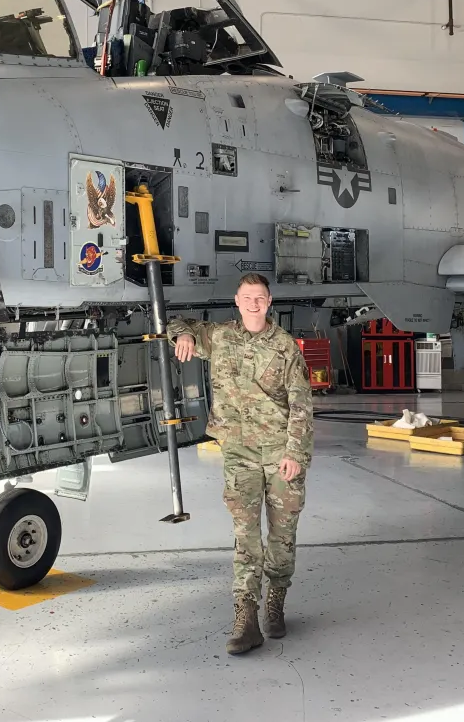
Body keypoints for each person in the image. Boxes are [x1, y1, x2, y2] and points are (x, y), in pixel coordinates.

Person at [167, 273, 314, 656]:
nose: (253, 303)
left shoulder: (285, 348)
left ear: (269, 302)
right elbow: (177, 323)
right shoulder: (219, 336)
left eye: (260, 298)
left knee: (282, 536)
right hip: (239, 454)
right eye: (247, 297)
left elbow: (301, 403)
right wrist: (182, 336)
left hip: (280, 451)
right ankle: (246, 619)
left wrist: (295, 454)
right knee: (245, 536)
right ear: (237, 300)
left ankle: (275, 602)